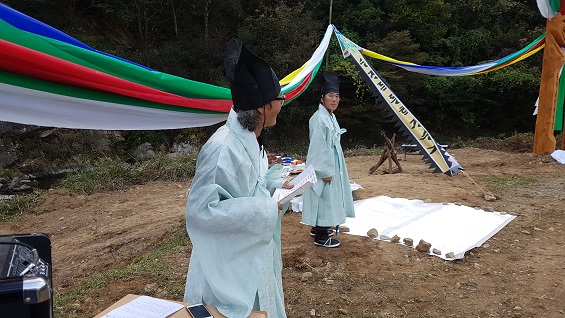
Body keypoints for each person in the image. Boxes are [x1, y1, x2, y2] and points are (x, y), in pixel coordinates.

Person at [183, 39, 292, 318]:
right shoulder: (222, 149)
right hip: (228, 267)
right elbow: (202, 213)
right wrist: (265, 208)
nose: (282, 104)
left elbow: (250, 186)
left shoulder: (250, 139)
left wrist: (277, 186)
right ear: (260, 109)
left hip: (250, 252)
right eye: (279, 100)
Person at [301, 71, 355, 248]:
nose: (334, 99)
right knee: (324, 196)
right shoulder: (319, 119)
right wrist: (324, 171)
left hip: (332, 161)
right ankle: (321, 236)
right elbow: (317, 146)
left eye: (337, 96)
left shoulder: (330, 115)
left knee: (327, 196)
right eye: (331, 95)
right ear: (322, 98)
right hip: (323, 164)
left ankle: (319, 228)